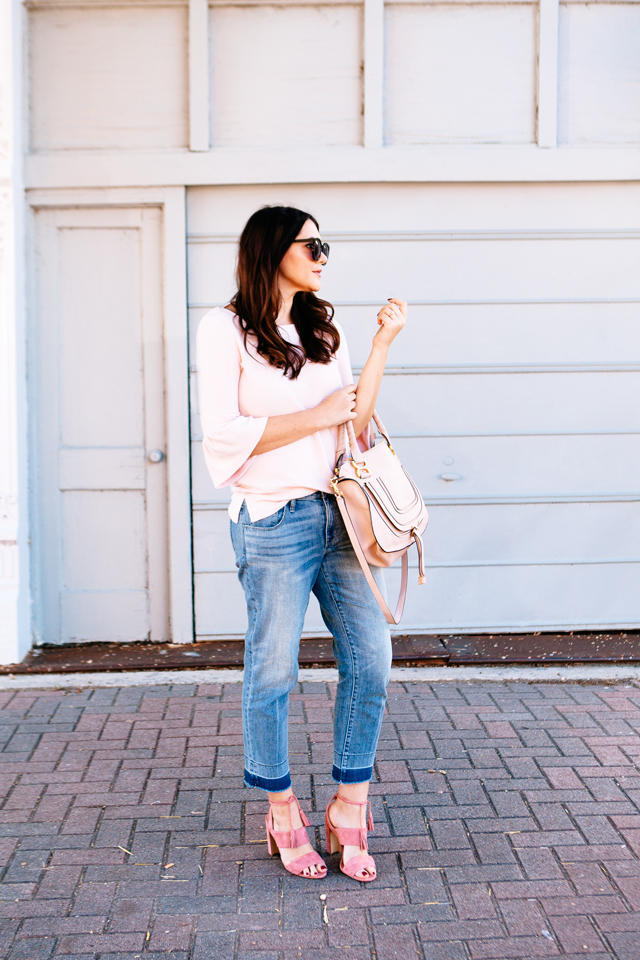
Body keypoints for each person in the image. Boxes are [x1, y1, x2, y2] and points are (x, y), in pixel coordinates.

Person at [197, 205, 406, 881]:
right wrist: (313, 415)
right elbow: (224, 436)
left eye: (325, 244)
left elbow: (356, 416)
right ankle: (282, 810)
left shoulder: (324, 325)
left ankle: (350, 805)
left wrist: (379, 346)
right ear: (272, 249)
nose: (322, 254)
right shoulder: (224, 329)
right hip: (273, 521)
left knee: (371, 660)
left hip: (340, 512)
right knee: (273, 670)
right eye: (310, 243)